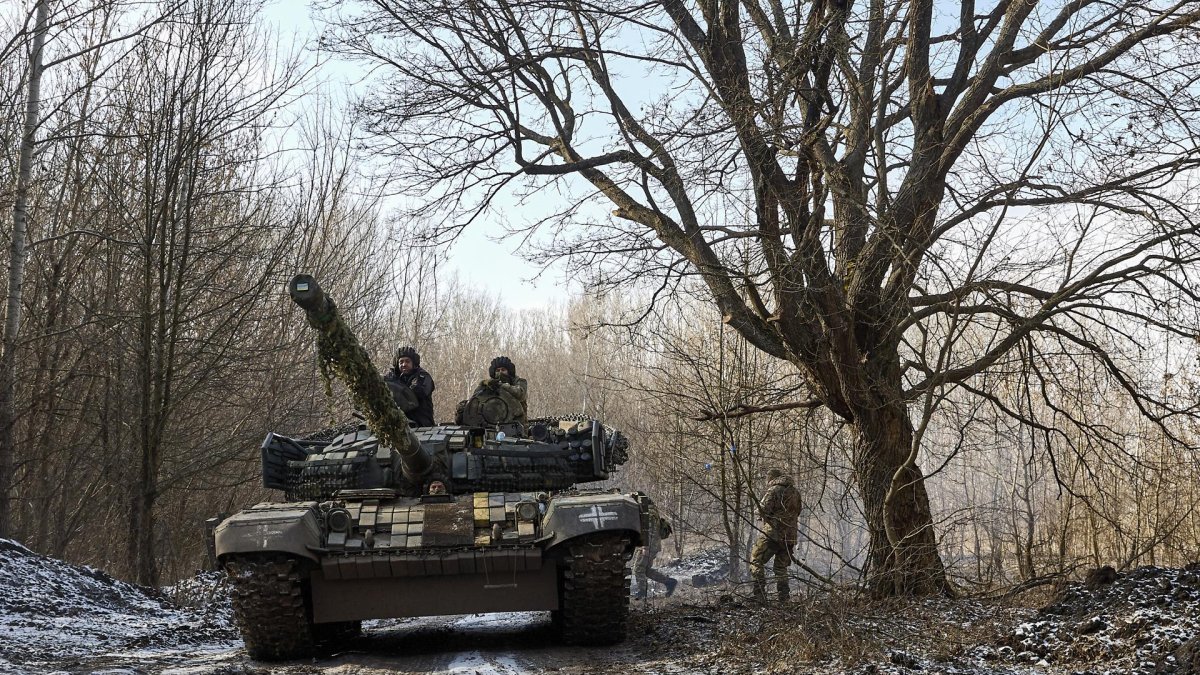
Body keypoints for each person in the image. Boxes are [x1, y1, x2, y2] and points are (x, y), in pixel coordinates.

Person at [750, 468, 803, 602]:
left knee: (756, 559)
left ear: (771, 478)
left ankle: (759, 595)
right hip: (790, 536)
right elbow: (798, 511)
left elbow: (762, 510)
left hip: (773, 533)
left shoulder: (774, 490)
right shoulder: (795, 492)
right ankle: (784, 598)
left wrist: (759, 513)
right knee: (781, 567)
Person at [383, 345, 435, 426]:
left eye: (407, 361)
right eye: (401, 362)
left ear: (414, 363)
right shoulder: (391, 377)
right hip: (395, 425)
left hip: (421, 424)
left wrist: (393, 387)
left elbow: (412, 397)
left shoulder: (423, 377)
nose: (404, 364)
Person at [634, 507, 677, 599]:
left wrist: (645, 547)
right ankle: (669, 582)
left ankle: (642, 592)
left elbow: (649, 532)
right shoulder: (652, 513)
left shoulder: (648, 514)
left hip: (648, 546)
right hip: (652, 546)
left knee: (638, 568)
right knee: (646, 570)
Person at [478, 355, 528, 422]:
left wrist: (502, 385)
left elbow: (520, 394)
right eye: (497, 370)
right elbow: (475, 399)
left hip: (516, 423)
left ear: (509, 371)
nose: (500, 372)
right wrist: (484, 383)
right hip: (491, 423)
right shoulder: (489, 384)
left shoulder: (519, 382)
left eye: (503, 370)